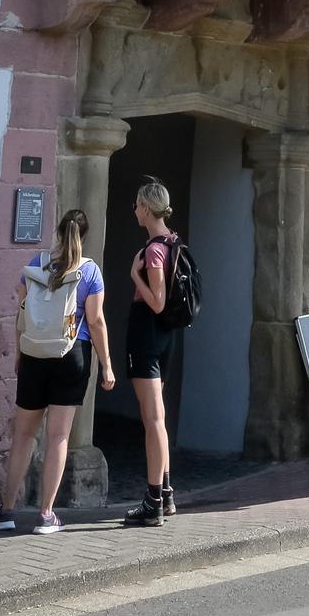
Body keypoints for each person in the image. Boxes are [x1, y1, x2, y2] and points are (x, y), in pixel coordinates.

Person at [0, 207, 114, 534]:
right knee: (58, 436)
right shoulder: (90, 271)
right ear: (84, 236)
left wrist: (19, 353)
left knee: (23, 435)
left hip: (34, 353)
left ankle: (6, 511)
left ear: (59, 232)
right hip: (72, 354)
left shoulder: (36, 263)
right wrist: (107, 365)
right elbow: (96, 321)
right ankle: (46, 515)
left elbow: (21, 313)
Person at [123, 176, 182, 527]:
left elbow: (157, 302)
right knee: (158, 417)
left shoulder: (154, 250)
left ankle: (153, 501)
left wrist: (135, 275)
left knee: (153, 420)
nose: (134, 210)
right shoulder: (173, 242)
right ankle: (167, 495)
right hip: (165, 336)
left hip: (148, 334)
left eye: (137, 205)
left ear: (146, 208)